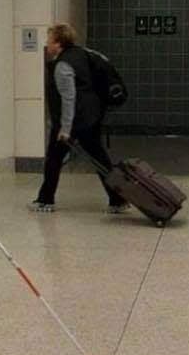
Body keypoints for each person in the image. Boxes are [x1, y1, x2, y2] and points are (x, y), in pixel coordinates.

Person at [30, 23, 129, 214]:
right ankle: (117, 199)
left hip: (74, 120)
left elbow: (69, 98)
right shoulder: (82, 54)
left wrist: (65, 129)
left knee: (54, 159)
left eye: (49, 40)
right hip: (92, 115)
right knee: (99, 158)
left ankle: (45, 200)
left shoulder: (63, 65)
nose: (47, 44)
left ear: (58, 43)